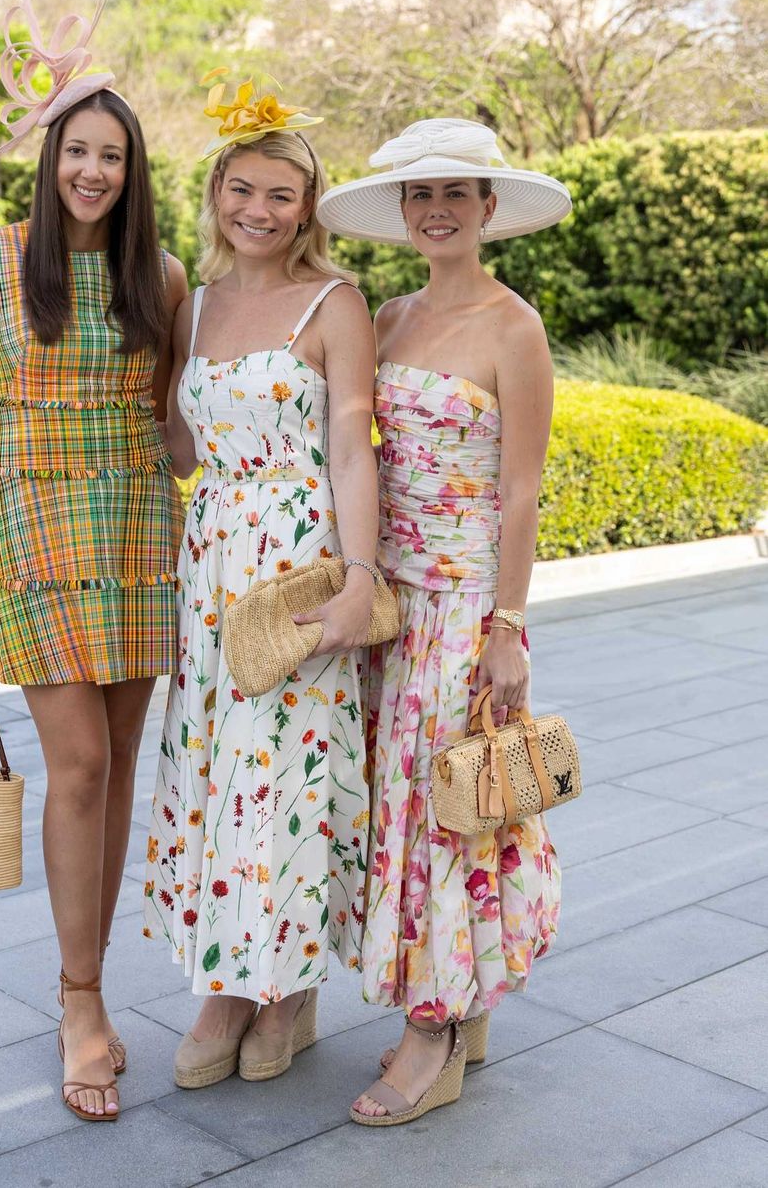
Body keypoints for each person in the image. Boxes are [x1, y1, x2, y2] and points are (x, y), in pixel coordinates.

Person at [0, 0, 186, 1123]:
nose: (93, 170)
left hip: (140, 526)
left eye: (113, 156)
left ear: (134, 174)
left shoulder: (166, 279)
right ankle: (80, 994)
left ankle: (91, 980)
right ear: (51, 160)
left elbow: (175, 421)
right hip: (30, 531)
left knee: (121, 762)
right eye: (78, 151)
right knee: (76, 761)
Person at [317, 118, 571, 1126]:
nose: (434, 211)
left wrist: (507, 624)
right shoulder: (382, 316)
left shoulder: (515, 328)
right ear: (400, 212)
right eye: (419, 197)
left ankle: (431, 1032)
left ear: (486, 208)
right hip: (391, 601)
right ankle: (456, 1005)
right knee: (404, 804)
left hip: (464, 605)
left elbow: (519, 492)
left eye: (455, 194)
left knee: (446, 811)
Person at [143, 74, 379, 1088]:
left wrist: (359, 577)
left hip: (296, 561)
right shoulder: (189, 306)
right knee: (212, 773)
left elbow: (352, 446)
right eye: (241, 188)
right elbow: (180, 441)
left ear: (308, 205)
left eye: (279, 194)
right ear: (215, 191)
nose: (258, 209)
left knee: (283, 773)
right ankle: (223, 979)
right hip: (210, 560)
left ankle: (284, 984)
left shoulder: (335, 301)